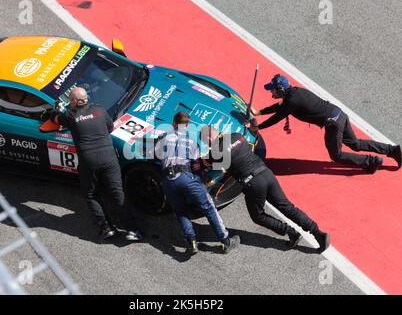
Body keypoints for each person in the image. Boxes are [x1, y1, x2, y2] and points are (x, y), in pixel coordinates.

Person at [200, 126, 330, 253]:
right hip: (266, 173)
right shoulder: (237, 136)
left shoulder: (215, 152)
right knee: (287, 207)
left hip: (253, 183)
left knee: (258, 216)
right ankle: (318, 233)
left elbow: (209, 165)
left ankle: (291, 232)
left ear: (210, 138)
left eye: (206, 142)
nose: (207, 145)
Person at [250, 74, 401, 173]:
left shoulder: (292, 100)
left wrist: (258, 127)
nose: (271, 93)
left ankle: (372, 161)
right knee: (355, 143)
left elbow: (277, 116)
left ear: (281, 89)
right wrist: (260, 113)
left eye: (273, 90)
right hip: (339, 114)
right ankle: (393, 150)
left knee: (336, 155)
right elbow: (280, 107)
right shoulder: (294, 93)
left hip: (333, 124)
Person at [51, 87, 142, 240]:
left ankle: (106, 227)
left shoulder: (71, 115)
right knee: (117, 193)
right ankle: (133, 230)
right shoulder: (99, 109)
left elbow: (55, 119)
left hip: (89, 161)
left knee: (90, 193)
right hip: (109, 158)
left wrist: (57, 109)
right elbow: (110, 127)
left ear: (73, 102)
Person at [155, 112, 240, 255]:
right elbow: (196, 166)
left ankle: (192, 242)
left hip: (168, 180)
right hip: (187, 177)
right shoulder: (193, 142)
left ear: (174, 123)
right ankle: (225, 241)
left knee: (181, 212)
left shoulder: (163, 137)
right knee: (208, 207)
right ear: (186, 126)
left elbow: (155, 154)